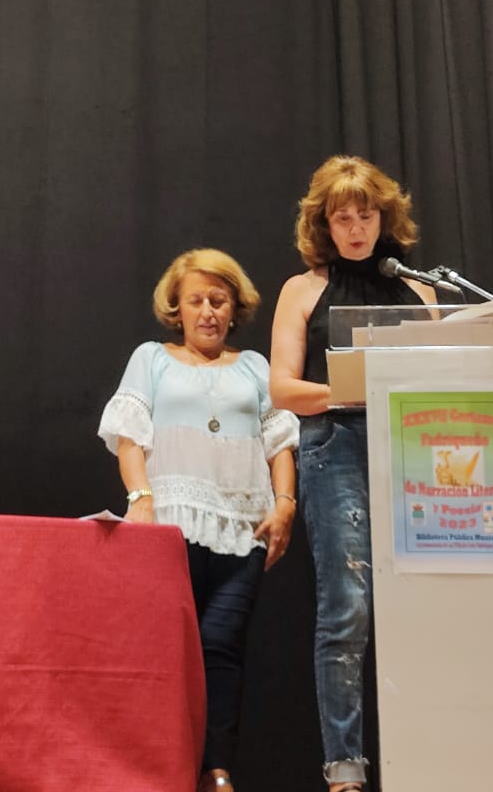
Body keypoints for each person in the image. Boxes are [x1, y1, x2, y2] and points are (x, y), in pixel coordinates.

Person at [99, 248, 300, 792]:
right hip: (170, 529)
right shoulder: (152, 359)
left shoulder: (255, 367)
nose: (208, 311)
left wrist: (285, 504)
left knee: (222, 648)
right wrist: (141, 498)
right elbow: (129, 435)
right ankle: (160, 767)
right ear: (177, 308)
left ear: (234, 308)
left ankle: (216, 771)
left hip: (243, 530)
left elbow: (280, 442)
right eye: (196, 301)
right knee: (166, 649)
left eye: (218, 300)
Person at [269, 157, 438, 792]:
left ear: (385, 218)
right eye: (343, 219)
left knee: (420, 601)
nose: (357, 229)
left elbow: (441, 376)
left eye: (366, 216)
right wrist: (350, 389)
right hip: (335, 444)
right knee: (348, 608)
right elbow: (281, 389)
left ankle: (422, 754)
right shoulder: (302, 290)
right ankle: (345, 770)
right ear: (324, 224)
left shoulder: (422, 290)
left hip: (413, 445)